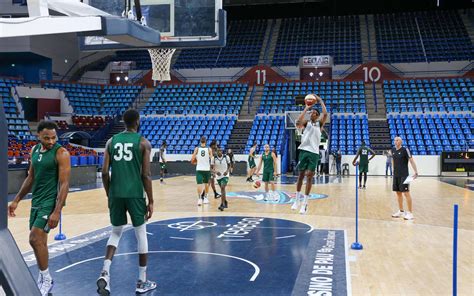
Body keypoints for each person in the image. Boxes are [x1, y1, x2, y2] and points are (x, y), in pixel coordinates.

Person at [97, 109, 156, 295]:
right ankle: (141, 281)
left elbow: (105, 172)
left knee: (115, 232)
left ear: (123, 122)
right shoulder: (143, 143)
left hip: (115, 193)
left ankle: (105, 272)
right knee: (141, 234)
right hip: (135, 194)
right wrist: (151, 200)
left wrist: (109, 193)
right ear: (137, 122)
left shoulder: (110, 142)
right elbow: (146, 174)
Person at [8, 121, 71, 296]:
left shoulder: (61, 153)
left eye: (54, 137)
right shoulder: (34, 151)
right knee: (39, 243)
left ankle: (46, 278)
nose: (51, 141)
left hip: (50, 202)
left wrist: (57, 210)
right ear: (38, 136)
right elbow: (31, 178)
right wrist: (16, 200)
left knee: (34, 239)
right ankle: (44, 277)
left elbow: (65, 183)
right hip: (36, 201)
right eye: (46, 138)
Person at [292, 95, 328, 214]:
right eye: (311, 112)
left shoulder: (319, 125)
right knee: (301, 175)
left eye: (313, 112)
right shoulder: (307, 123)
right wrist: (306, 108)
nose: (311, 113)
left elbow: (325, 114)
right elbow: (298, 121)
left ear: (317, 115)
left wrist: (320, 100)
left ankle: (305, 203)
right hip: (304, 151)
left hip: (314, 153)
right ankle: (296, 200)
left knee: (309, 176)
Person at [391, 137, 418, 220]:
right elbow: (393, 160)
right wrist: (393, 170)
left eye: (397, 140)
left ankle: (410, 213)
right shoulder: (393, 150)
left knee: (406, 193)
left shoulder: (405, 150)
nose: (395, 141)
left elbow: (411, 160)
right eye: (395, 140)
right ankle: (401, 211)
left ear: (401, 142)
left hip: (404, 175)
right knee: (398, 193)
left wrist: (416, 171)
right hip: (396, 175)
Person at [191, 136, 212, 206]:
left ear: (200, 141)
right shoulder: (209, 149)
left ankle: (199, 199)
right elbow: (212, 160)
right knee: (206, 184)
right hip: (207, 169)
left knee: (199, 184)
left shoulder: (197, 149)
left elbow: (192, 160)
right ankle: (205, 198)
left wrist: (197, 162)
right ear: (206, 141)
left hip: (199, 168)